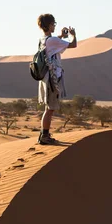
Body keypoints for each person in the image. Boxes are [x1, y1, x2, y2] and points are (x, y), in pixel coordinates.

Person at [37, 13, 77, 145]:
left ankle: (44, 134)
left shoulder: (44, 39)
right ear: (49, 25)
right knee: (50, 108)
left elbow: (53, 43)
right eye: (53, 24)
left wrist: (61, 36)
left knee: (48, 108)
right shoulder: (52, 41)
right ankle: (45, 136)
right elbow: (73, 45)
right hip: (52, 79)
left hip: (46, 77)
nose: (54, 26)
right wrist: (73, 35)